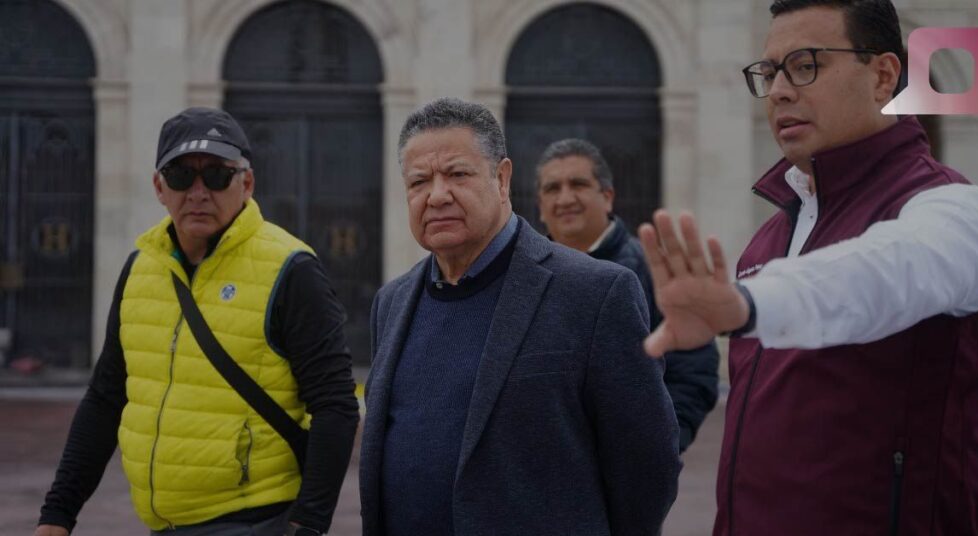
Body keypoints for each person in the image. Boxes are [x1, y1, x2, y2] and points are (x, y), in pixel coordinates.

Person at [638, 1, 978, 535]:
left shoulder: (959, 212)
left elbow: (886, 271)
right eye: (770, 72)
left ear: (883, 76)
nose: (779, 91)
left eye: (805, 65)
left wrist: (748, 305)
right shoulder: (771, 237)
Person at [359, 98, 680, 536]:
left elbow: (647, 466)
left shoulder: (595, 293)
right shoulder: (391, 303)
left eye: (457, 174)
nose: (437, 195)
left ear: (502, 178)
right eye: (419, 181)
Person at [35, 107, 359, 536]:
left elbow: (335, 403)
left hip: (256, 521)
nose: (199, 192)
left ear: (247, 183)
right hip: (164, 524)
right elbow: (105, 398)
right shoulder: (139, 269)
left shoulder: (291, 269)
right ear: (159, 187)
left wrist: (308, 524)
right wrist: (58, 514)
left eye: (218, 175)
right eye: (181, 175)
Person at [535, 138, 720, 452]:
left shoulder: (654, 271)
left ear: (607, 197)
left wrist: (660, 447)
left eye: (578, 184)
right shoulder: (522, 276)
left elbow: (693, 368)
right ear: (540, 207)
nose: (565, 198)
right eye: (552, 189)